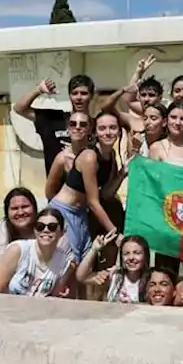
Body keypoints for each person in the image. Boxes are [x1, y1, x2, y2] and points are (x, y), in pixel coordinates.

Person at [49, 111, 123, 259]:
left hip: (81, 213)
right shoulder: (89, 156)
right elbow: (93, 202)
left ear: (119, 131)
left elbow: (105, 194)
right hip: (65, 211)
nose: (108, 133)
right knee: (67, 262)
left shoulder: (112, 156)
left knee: (83, 260)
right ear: (95, 132)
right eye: (102, 128)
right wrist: (115, 233)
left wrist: (122, 173)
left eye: (112, 128)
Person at [0, 188, 69, 292]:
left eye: (25, 207)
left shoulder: (49, 231)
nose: (20, 212)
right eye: (14, 208)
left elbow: (66, 263)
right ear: (7, 212)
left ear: (35, 209)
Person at [13, 74, 96, 173]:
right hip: (56, 185)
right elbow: (19, 108)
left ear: (91, 96)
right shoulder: (54, 118)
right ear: (69, 95)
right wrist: (39, 90)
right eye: (74, 93)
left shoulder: (96, 125)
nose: (79, 97)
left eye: (83, 93)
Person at [0, 208, 76, 297]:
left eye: (52, 227)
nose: (45, 230)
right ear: (34, 230)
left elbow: (55, 297)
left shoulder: (64, 263)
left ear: (62, 232)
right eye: (40, 226)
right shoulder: (17, 250)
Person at [77, 234, 151, 303]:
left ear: (145, 256)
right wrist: (94, 250)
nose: (131, 258)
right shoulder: (115, 275)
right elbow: (82, 277)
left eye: (137, 253)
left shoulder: (152, 280)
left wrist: (133, 305)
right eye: (126, 253)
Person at [44, 110, 92, 200]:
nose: (77, 127)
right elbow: (49, 192)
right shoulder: (62, 158)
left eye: (83, 124)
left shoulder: (94, 154)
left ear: (89, 129)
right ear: (68, 128)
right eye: (73, 124)